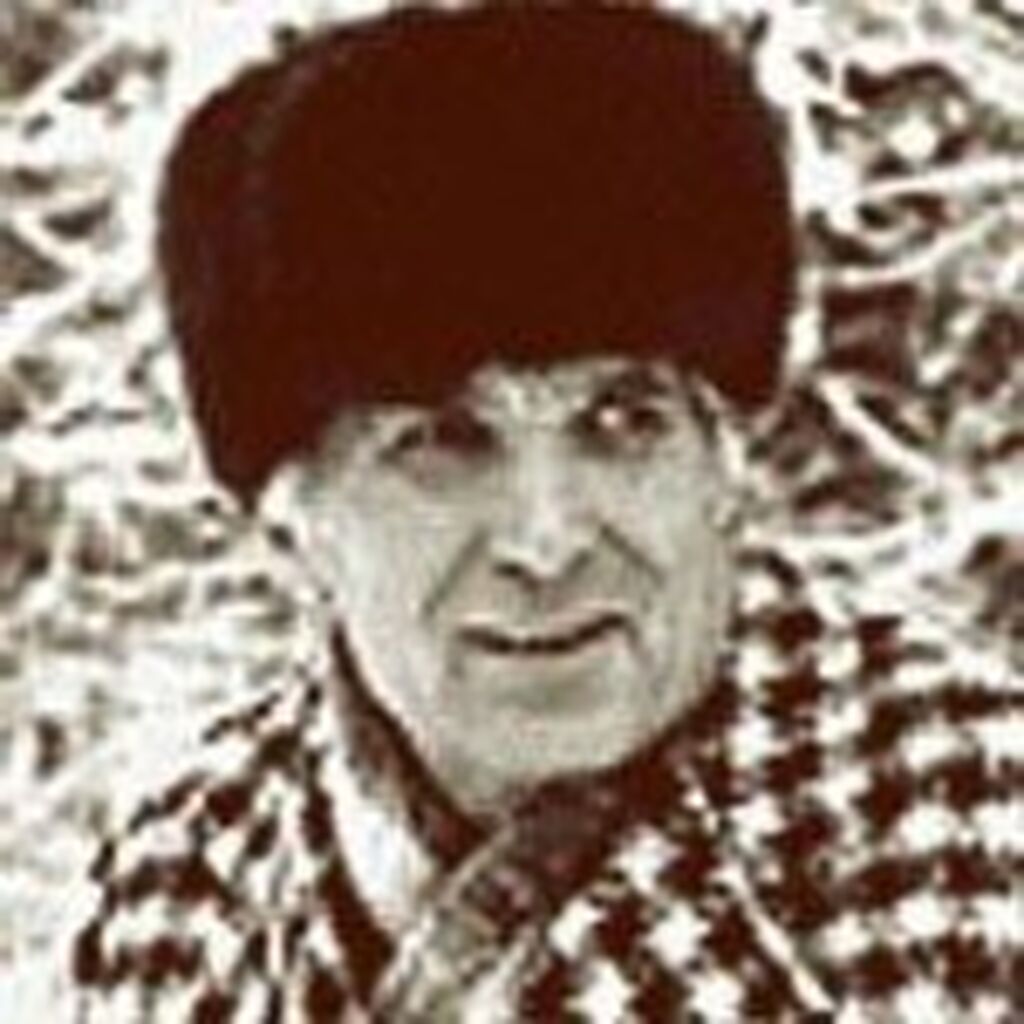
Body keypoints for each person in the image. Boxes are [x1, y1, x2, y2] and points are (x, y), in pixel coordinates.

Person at [71, 5, 1021, 1021]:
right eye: (442, 439)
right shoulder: (183, 885)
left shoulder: (961, 819)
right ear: (287, 517)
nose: (547, 538)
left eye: (623, 421)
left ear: (724, 467)